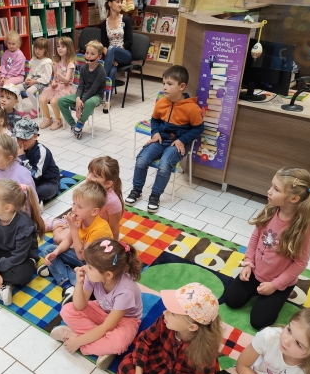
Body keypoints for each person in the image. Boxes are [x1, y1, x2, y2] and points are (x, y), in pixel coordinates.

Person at [101, 282, 223, 374]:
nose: (165, 312)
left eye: (172, 313)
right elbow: (145, 341)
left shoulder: (205, 353)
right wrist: (139, 373)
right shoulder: (165, 321)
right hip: (157, 364)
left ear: (192, 327)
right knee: (128, 366)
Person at [223, 167, 310, 330]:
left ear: (294, 198)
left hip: (278, 282)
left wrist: (274, 285)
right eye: (271, 186)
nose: (269, 191)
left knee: (259, 322)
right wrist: (248, 263)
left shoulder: (304, 231)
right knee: (231, 300)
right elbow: (255, 238)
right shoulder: (270, 210)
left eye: (276, 189)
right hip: (255, 271)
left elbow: (300, 264)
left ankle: (280, 293)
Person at [50, 238, 142, 371]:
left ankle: (74, 337)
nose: (85, 268)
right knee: (67, 310)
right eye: (87, 264)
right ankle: (102, 347)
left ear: (108, 274)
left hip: (126, 320)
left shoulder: (125, 291)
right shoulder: (93, 276)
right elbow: (79, 306)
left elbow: (107, 327)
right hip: (102, 310)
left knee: (119, 343)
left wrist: (77, 342)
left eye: (90, 267)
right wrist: (79, 284)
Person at [125, 65, 204, 214]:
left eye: (169, 84)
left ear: (182, 86)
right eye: (164, 83)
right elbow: (154, 120)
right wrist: (155, 133)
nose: (165, 87)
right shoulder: (161, 102)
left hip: (178, 143)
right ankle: (137, 190)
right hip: (161, 140)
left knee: (164, 165)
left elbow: (198, 129)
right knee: (142, 159)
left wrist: (182, 140)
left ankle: (155, 196)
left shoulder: (192, 108)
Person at [39, 181, 113, 303]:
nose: (73, 209)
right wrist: (56, 252)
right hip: (86, 260)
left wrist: (73, 229)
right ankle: (67, 285)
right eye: (74, 204)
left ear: (94, 211)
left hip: (97, 267)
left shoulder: (100, 229)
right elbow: (68, 241)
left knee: (89, 285)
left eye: (80, 206)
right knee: (48, 250)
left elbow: (82, 255)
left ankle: (64, 278)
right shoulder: (81, 219)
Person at [46, 156, 124, 242]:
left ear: (108, 183)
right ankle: (58, 223)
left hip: (98, 232)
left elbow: (114, 229)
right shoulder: (88, 190)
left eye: (95, 176)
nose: (88, 177)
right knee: (59, 239)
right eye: (89, 172)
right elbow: (77, 209)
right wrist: (72, 220)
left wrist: (114, 249)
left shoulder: (113, 202)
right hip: (82, 226)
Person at [58, 40, 106, 140]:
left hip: (95, 95)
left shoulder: (101, 71)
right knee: (61, 101)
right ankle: (73, 125)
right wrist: (78, 98)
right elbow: (80, 85)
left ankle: (80, 124)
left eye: (92, 54)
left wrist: (80, 103)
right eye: (87, 53)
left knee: (89, 103)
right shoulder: (83, 67)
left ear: (99, 57)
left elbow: (93, 90)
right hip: (83, 94)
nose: (88, 56)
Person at [11, 118, 60, 203]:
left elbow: (36, 175)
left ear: (35, 136)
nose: (20, 142)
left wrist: (22, 157)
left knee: (43, 191)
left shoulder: (42, 151)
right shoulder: (17, 147)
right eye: (18, 138)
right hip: (26, 181)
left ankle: (30, 198)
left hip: (46, 181)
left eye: (24, 139)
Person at [100, 0, 133, 108]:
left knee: (112, 48)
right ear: (110, 4)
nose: (120, 5)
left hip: (125, 54)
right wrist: (111, 55)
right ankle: (107, 100)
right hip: (111, 56)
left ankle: (100, 78)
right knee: (113, 71)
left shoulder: (126, 20)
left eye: (121, 2)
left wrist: (113, 52)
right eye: (117, 2)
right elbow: (103, 45)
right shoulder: (104, 23)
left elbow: (129, 42)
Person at [39, 36, 76, 131]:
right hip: (57, 86)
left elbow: (67, 80)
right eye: (58, 46)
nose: (60, 48)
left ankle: (58, 120)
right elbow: (55, 78)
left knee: (54, 101)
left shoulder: (70, 64)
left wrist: (58, 74)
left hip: (66, 87)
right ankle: (48, 119)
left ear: (69, 48)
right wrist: (53, 82)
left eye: (63, 46)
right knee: (42, 99)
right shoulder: (57, 62)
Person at [17, 37, 52, 119]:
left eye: (40, 49)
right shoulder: (34, 60)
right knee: (16, 88)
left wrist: (34, 81)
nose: (37, 51)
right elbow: (31, 72)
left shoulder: (47, 61)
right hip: (33, 80)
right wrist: (28, 78)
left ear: (45, 50)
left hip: (42, 82)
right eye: (36, 48)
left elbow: (46, 78)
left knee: (29, 91)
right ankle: (20, 110)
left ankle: (36, 108)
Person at [0, 30, 26, 96]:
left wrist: (7, 77)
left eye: (13, 44)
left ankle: (7, 102)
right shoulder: (6, 53)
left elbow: (16, 69)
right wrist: (3, 76)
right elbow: (3, 65)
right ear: (6, 43)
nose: (11, 46)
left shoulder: (20, 55)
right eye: (9, 43)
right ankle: (1, 99)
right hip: (5, 75)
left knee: (6, 85)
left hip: (18, 76)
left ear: (18, 43)